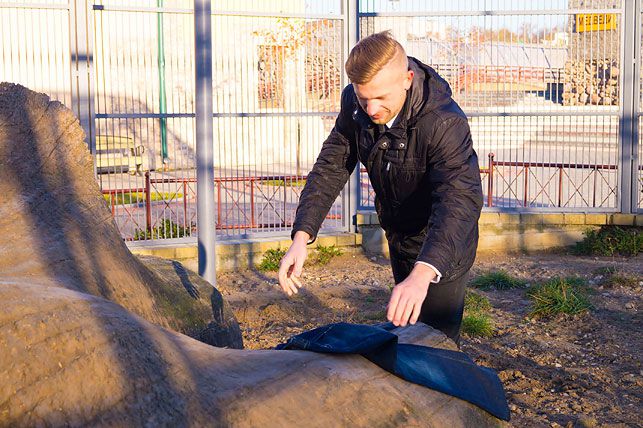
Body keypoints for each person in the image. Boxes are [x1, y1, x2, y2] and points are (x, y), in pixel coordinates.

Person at [278, 31, 483, 344]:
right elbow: (331, 166)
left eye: (381, 98)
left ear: (407, 79)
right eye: (364, 98)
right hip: (399, 237)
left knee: (437, 346)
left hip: (442, 247)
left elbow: (459, 201)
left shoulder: (444, 122)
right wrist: (301, 237)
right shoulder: (355, 106)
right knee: (407, 337)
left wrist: (423, 272)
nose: (371, 109)